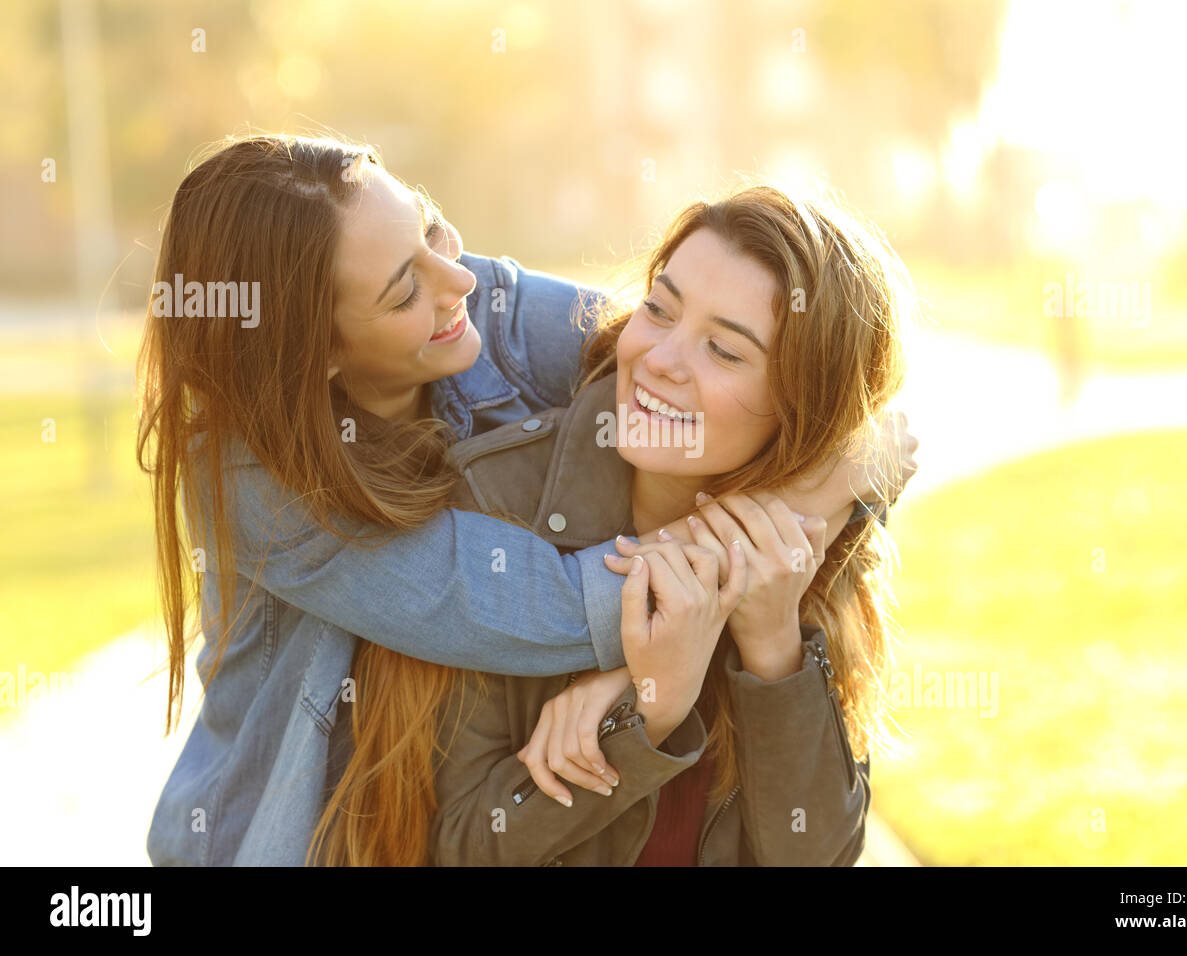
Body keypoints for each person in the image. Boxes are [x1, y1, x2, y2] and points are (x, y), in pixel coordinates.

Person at [138, 135, 914, 865]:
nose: (462, 283)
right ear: (321, 352)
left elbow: (810, 377)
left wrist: (825, 495)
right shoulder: (267, 484)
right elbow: (545, 613)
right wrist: (650, 694)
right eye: (406, 288)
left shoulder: (494, 313)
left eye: (435, 232)